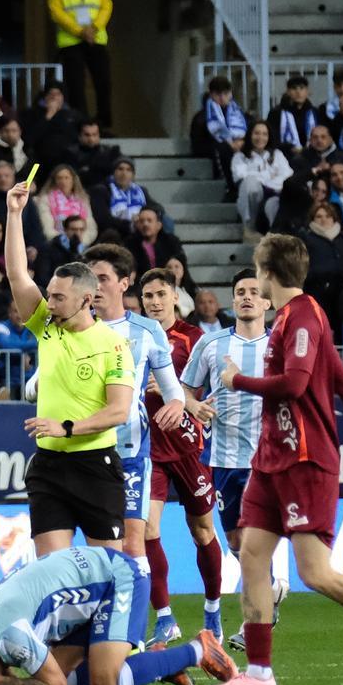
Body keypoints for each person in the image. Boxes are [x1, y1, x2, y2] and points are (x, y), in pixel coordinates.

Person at [208, 233, 343, 685]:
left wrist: (236, 380)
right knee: (253, 556)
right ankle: (260, 672)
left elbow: (297, 385)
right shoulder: (293, 318)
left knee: (314, 573)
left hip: (306, 458)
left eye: (256, 269)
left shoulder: (302, 318)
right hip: (271, 458)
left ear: (267, 272)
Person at [4, 181, 134, 560]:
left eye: (59, 297)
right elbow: (16, 275)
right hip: (48, 466)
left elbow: (118, 411)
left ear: (87, 300)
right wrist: (14, 214)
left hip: (96, 465)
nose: (51, 302)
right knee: (52, 572)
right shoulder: (47, 325)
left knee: (105, 571)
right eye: (50, 294)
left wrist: (67, 428)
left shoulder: (112, 344)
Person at [0, 546, 235, 685]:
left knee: (104, 681)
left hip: (116, 578)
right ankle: (160, 663)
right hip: (83, 599)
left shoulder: (9, 634)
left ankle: (198, 649)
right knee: (71, 678)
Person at [179, 268, 290, 651]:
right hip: (223, 459)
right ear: (233, 300)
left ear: (266, 302)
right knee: (237, 545)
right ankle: (273, 588)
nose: (245, 297)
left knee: (254, 543)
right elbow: (184, 390)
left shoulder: (280, 345)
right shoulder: (211, 345)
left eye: (253, 292)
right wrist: (194, 405)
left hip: (267, 459)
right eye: (239, 291)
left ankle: (254, 623)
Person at [79, 245, 185, 633]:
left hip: (130, 451)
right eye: (90, 279)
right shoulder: (74, 327)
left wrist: (175, 405)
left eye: (103, 278)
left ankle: (136, 633)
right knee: (99, 550)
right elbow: (33, 387)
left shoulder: (147, 330)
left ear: (124, 284)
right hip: (83, 451)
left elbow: (173, 390)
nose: (95, 287)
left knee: (134, 542)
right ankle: (102, 627)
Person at [138, 268, 222, 645]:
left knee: (202, 531)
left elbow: (209, 397)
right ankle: (165, 617)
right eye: (148, 296)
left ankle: (213, 610)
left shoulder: (195, 340)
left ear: (175, 296)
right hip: (149, 448)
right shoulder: (133, 337)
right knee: (145, 530)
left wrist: (177, 393)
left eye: (160, 295)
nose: (154, 302)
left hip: (190, 448)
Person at [49, 0, 113, 129]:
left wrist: (95, 27)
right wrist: (80, 31)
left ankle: (104, 123)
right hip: (70, 41)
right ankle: (80, 123)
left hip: (96, 38)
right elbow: (56, 11)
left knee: (103, 81)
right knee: (76, 84)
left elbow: (106, 6)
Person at [231, 120, 293, 234]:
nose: (260, 137)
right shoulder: (240, 157)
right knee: (251, 184)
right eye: (257, 133)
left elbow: (287, 174)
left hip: (274, 195)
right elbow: (241, 176)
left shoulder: (277, 154)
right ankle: (250, 229)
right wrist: (268, 175)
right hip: (253, 200)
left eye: (265, 134)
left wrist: (265, 178)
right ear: (250, 135)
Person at [201, 76, 247, 192]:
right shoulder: (203, 115)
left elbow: (247, 128)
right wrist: (229, 142)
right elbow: (206, 136)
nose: (222, 98)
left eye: (226, 94)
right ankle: (230, 186)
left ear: (230, 94)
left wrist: (241, 140)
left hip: (237, 143)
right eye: (218, 94)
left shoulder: (238, 111)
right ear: (211, 94)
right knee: (224, 149)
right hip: (214, 147)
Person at [266, 76, 318, 155]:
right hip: (285, 155)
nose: (298, 92)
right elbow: (272, 137)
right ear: (288, 92)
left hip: (312, 154)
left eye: (301, 88)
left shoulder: (315, 112)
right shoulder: (276, 113)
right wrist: (289, 148)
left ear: (307, 91)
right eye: (294, 88)